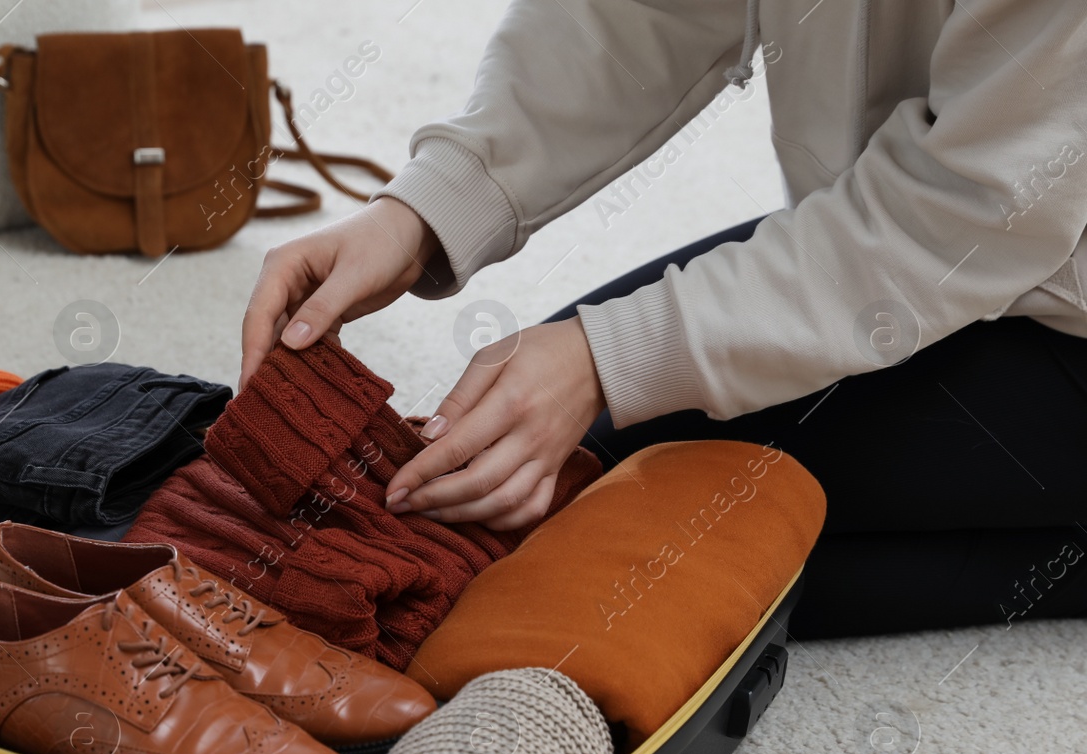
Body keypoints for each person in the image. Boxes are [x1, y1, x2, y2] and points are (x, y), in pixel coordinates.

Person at [241, 0, 1087, 639]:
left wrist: (608, 356)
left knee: (593, 547)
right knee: (534, 480)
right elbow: (642, 12)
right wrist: (425, 209)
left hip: (1037, 294)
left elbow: (973, 209)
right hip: (919, 235)